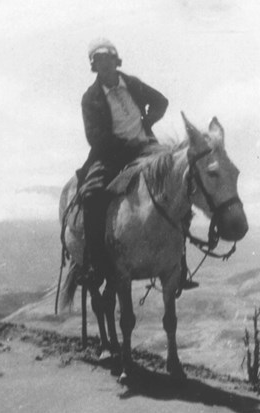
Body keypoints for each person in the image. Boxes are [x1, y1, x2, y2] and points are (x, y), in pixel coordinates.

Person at [78, 38, 197, 289]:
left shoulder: (131, 83)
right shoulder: (91, 98)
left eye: (108, 59)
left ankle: (178, 263)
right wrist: (123, 145)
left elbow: (161, 102)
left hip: (146, 146)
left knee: (179, 188)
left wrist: (145, 121)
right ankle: (95, 264)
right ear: (94, 66)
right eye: (98, 61)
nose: (105, 65)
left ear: (115, 60)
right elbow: (94, 137)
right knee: (91, 196)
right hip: (111, 153)